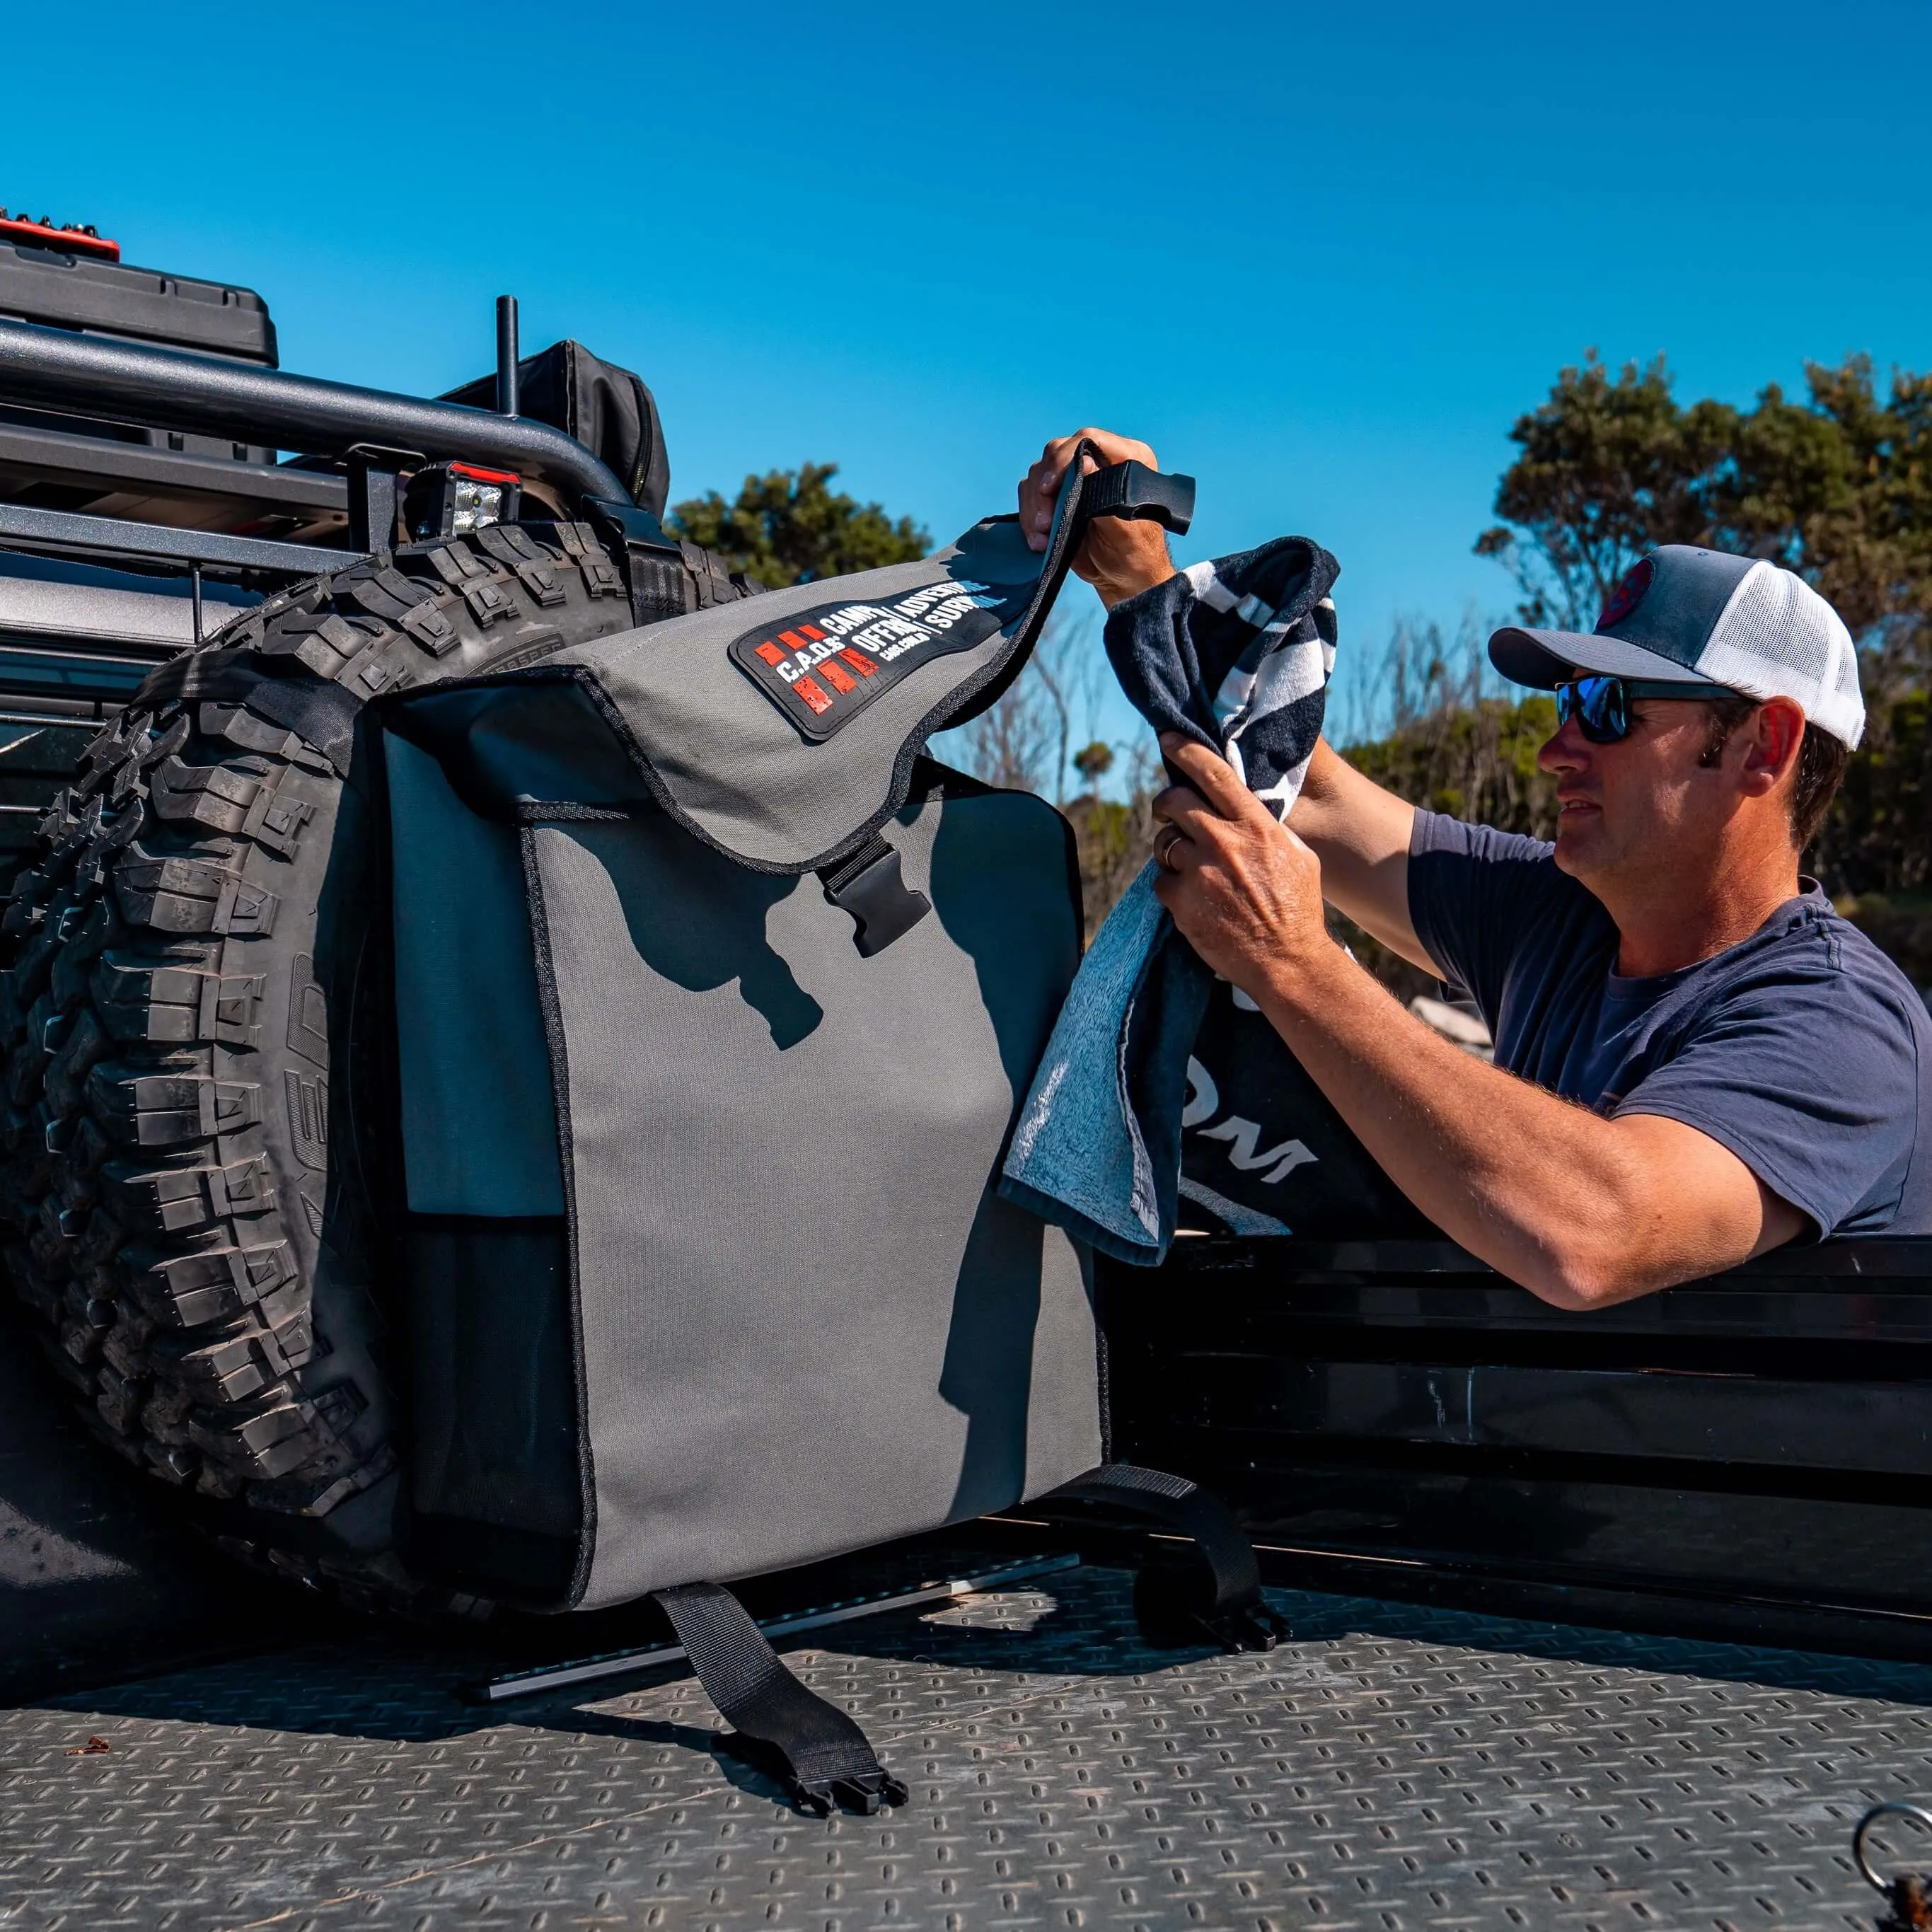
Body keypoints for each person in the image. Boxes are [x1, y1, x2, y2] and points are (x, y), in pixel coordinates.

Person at [1017, 429, 1932, 1307]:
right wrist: (1137, 577)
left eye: (1606, 707)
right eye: (1566, 700)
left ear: (1762, 746)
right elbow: (1314, 798)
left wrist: (1293, 963)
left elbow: (1594, 1234)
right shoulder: (1553, 915)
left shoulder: (1841, 1023)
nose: (1553, 750)